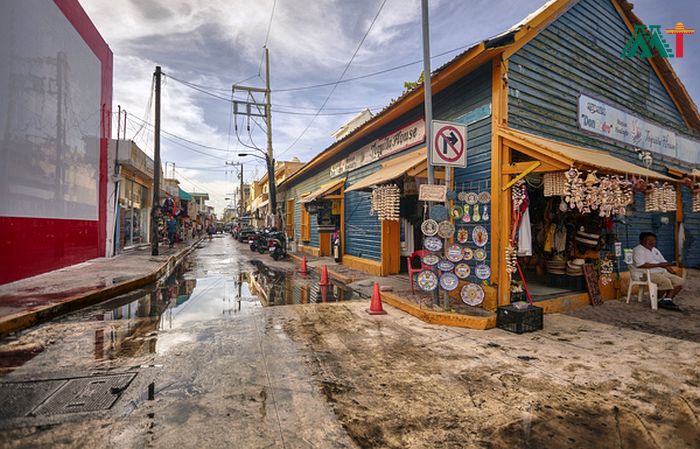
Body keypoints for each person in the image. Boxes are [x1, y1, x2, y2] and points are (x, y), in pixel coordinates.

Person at [632, 232, 684, 310]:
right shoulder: (637, 250)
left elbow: (663, 262)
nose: (652, 242)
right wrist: (659, 265)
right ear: (641, 241)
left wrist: (672, 271)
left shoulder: (655, 250)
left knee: (680, 281)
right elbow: (641, 265)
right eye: (649, 240)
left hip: (661, 271)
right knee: (666, 282)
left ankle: (667, 299)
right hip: (646, 273)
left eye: (653, 240)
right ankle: (657, 299)